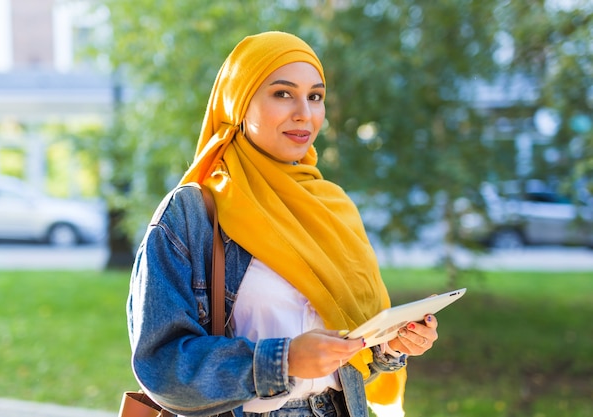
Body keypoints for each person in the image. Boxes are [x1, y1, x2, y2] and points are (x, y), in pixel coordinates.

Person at [127, 31, 439, 417]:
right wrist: (284, 360)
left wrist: (390, 346)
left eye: (315, 96)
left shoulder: (331, 205)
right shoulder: (194, 213)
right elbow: (162, 365)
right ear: (239, 103)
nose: (304, 113)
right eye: (282, 93)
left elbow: (351, 362)